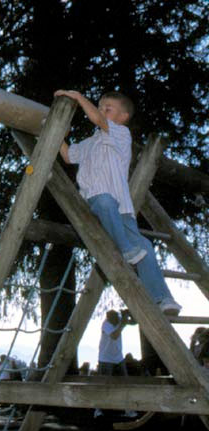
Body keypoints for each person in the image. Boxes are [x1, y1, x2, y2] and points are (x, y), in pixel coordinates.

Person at [54, 90, 181, 316]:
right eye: (100, 107)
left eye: (108, 108)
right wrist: (55, 132)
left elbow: (97, 119)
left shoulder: (121, 134)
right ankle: (125, 250)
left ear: (123, 117)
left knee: (145, 247)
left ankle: (163, 299)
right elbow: (67, 156)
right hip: (94, 203)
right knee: (105, 202)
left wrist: (78, 97)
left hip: (121, 209)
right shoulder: (90, 142)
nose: (101, 110)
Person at [94, 309, 137, 419]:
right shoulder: (106, 324)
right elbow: (114, 336)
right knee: (103, 385)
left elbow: (135, 322)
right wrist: (123, 322)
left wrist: (130, 314)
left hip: (118, 358)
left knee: (126, 384)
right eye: (113, 319)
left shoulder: (119, 320)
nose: (114, 321)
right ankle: (98, 410)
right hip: (105, 359)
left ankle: (129, 410)